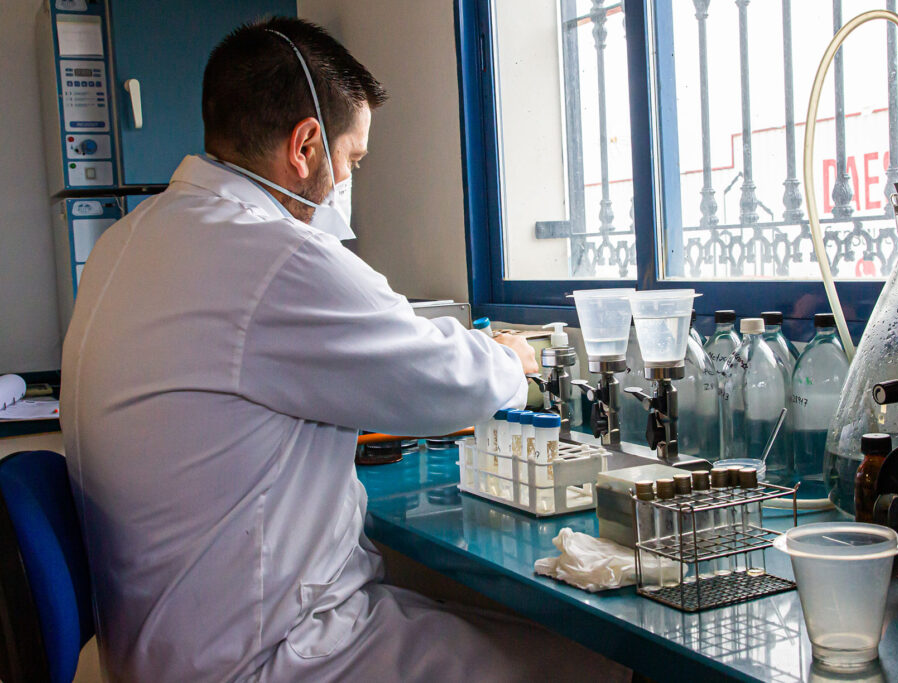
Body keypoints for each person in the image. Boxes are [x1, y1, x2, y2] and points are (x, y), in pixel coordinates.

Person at [60, 16, 630, 683]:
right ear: (305, 145)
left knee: (486, 628)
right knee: (597, 667)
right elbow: (442, 379)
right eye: (352, 159)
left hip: (165, 644)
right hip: (263, 656)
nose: (345, 181)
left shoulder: (128, 241)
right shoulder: (272, 256)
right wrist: (515, 358)